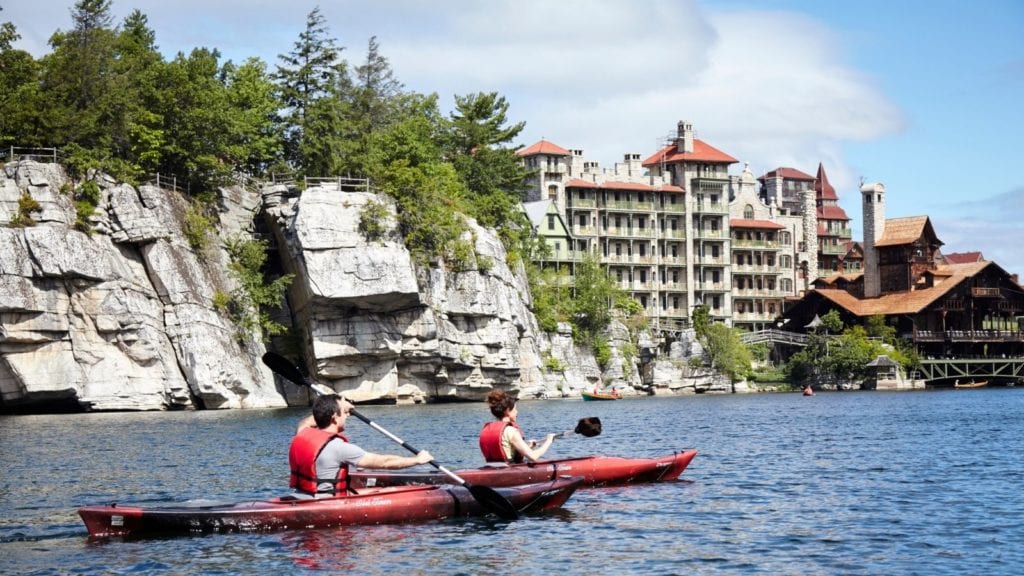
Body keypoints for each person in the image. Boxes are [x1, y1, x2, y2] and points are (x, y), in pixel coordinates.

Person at [289, 394, 433, 498]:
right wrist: (417, 460)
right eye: (344, 413)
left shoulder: (302, 434)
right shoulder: (339, 448)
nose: (347, 416)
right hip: (326, 502)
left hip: (301, 497)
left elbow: (305, 422)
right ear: (334, 418)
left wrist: (332, 409)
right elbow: (385, 463)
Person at [479, 389, 555, 464]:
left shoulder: (486, 429)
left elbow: (507, 450)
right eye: (515, 409)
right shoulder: (511, 431)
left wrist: (528, 446)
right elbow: (533, 457)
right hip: (507, 471)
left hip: (491, 469)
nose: (517, 412)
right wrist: (548, 441)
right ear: (508, 411)